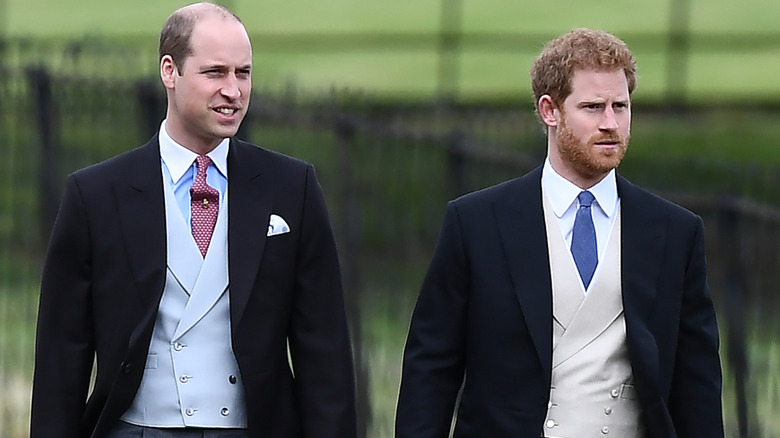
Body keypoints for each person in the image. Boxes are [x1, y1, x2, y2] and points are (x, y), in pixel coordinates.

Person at [30, 3, 357, 437]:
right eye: (215, 72)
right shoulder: (94, 195)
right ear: (170, 71)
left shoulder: (291, 187)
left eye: (243, 73)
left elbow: (324, 352)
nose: (234, 90)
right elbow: (61, 357)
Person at [395, 28, 723, 438]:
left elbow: (698, 386)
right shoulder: (477, 222)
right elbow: (432, 368)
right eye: (592, 107)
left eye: (620, 107)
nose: (610, 123)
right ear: (550, 110)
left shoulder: (675, 231)